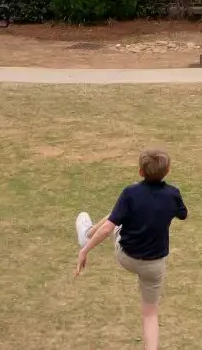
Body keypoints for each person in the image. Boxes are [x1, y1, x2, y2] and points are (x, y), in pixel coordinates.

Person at [77, 148, 188, 350]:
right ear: (168, 170)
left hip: (126, 255)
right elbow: (183, 214)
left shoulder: (130, 193)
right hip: (154, 265)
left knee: (117, 214)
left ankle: (86, 235)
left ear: (140, 172)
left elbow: (109, 228)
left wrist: (85, 250)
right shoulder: (173, 194)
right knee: (150, 313)